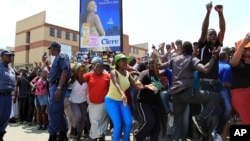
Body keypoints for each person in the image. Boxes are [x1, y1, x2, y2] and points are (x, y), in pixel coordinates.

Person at [159, 41, 221, 141]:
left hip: (175, 95)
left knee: (177, 123)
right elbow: (205, 69)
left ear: (182, 50)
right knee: (216, 97)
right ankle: (200, 118)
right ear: (191, 50)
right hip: (187, 93)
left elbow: (160, 66)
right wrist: (213, 57)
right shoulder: (192, 59)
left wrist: (154, 60)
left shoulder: (174, 59)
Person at [197, 2, 225, 141]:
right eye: (211, 34)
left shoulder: (218, 45)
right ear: (207, 37)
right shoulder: (203, 45)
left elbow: (222, 29)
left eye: (214, 34)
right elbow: (204, 30)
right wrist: (208, 12)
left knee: (227, 107)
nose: (213, 35)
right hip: (205, 84)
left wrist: (220, 13)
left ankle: (217, 133)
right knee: (206, 115)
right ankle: (204, 138)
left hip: (217, 83)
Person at [104, 53, 142, 141]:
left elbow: (136, 85)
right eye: (123, 61)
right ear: (117, 63)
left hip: (122, 101)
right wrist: (123, 94)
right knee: (118, 124)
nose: (125, 63)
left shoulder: (128, 73)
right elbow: (116, 84)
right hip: (111, 101)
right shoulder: (114, 72)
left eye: (126, 61)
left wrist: (146, 86)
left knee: (129, 122)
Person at [80, 57, 110, 141]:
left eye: (95, 63)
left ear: (101, 65)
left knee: (103, 121)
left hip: (104, 103)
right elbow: (81, 80)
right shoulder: (89, 74)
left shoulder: (107, 76)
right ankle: (94, 136)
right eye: (92, 64)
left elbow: (111, 87)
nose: (94, 66)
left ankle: (96, 137)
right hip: (92, 103)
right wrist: (81, 70)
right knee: (94, 121)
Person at [134, 57, 162, 141]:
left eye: (152, 63)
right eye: (149, 63)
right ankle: (138, 136)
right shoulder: (145, 73)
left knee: (157, 126)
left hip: (155, 103)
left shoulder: (158, 74)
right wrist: (146, 86)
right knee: (149, 121)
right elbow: (138, 83)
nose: (151, 65)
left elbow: (160, 86)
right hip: (143, 102)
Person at [47, 41, 71, 141]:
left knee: (54, 112)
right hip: (55, 85)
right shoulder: (56, 58)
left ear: (55, 48)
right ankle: (62, 135)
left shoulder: (62, 56)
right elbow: (55, 73)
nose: (50, 50)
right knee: (59, 112)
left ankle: (52, 135)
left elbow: (65, 71)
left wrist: (59, 88)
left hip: (58, 86)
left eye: (51, 48)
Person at [230, 33, 250, 124]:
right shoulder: (237, 61)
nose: (247, 51)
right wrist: (243, 42)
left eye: (249, 48)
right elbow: (233, 63)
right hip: (240, 94)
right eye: (245, 49)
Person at [69, 63, 89, 140]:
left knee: (83, 119)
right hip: (74, 102)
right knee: (78, 115)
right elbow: (75, 74)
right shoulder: (73, 79)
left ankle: (78, 137)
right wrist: (79, 68)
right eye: (80, 70)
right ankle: (73, 128)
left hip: (83, 102)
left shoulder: (87, 79)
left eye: (83, 70)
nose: (82, 71)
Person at [0, 50, 15, 141]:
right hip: (0, 95)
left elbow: (13, 84)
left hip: (8, 97)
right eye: (8, 55)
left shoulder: (12, 70)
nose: (10, 57)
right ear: (2, 56)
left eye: (11, 56)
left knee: (5, 118)